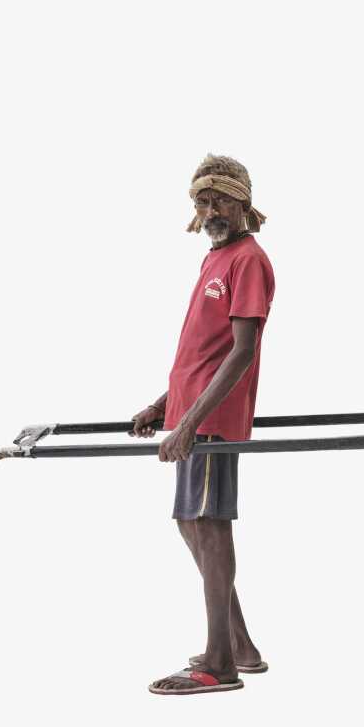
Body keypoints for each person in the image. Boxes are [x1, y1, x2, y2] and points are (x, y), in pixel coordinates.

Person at [132, 154, 276, 695]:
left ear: (243, 203)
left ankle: (220, 664)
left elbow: (241, 351)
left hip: (212, 420)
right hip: (194, 414)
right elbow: (202, 349)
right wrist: (163, 406)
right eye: (202, 201)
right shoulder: (215, 258)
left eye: (220, 200)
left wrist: (190, 422)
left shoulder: (248, 260)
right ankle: (239, 645)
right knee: (192, 523)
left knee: (209, 526)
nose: (211, 210)